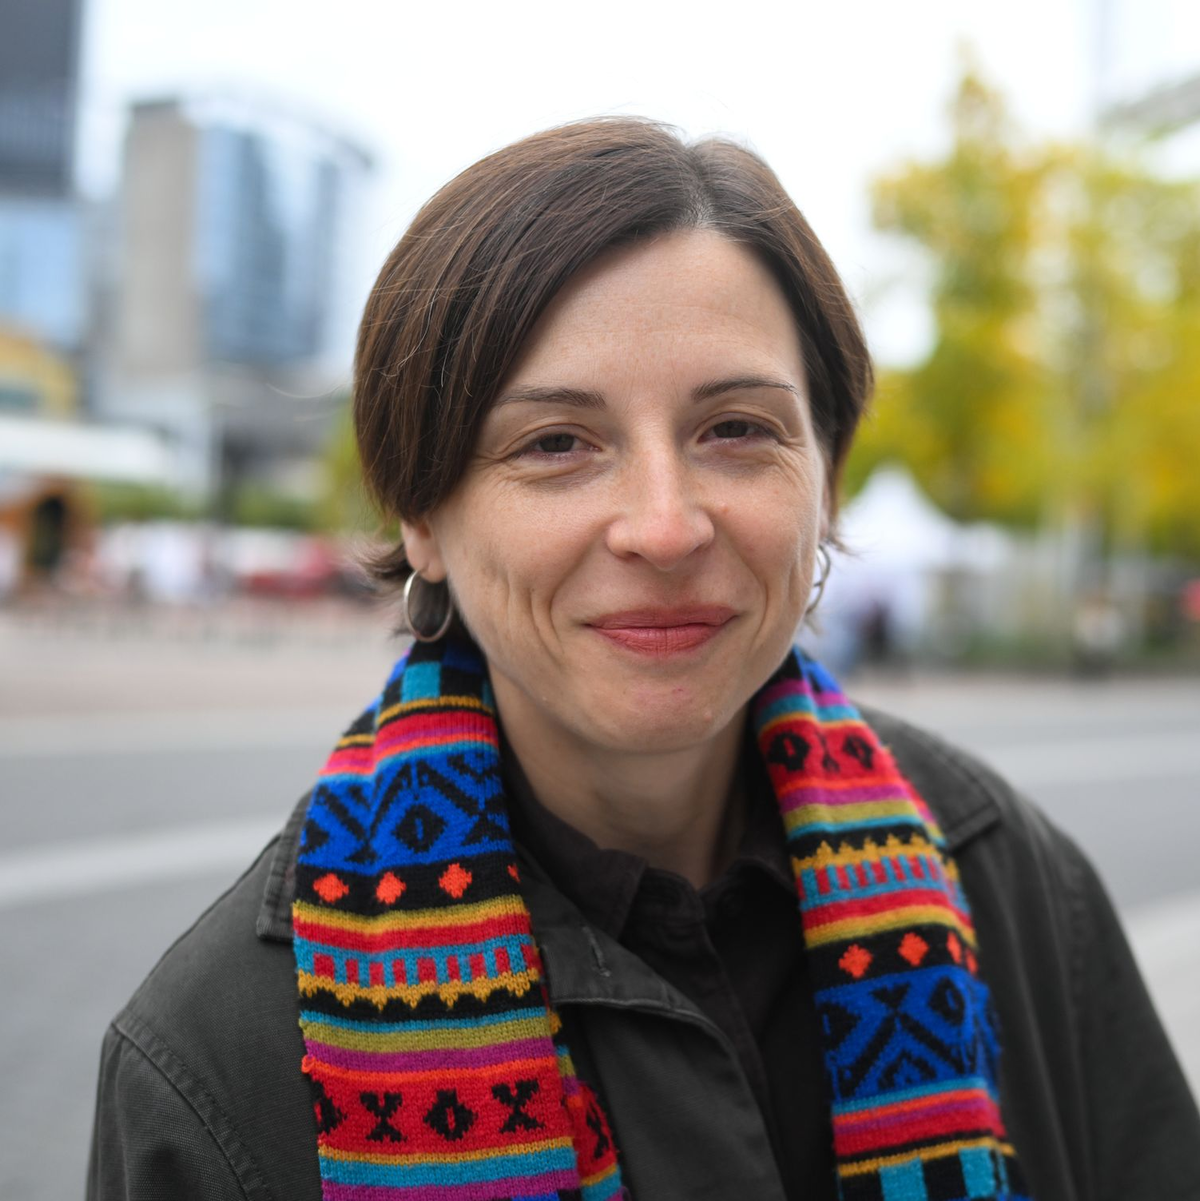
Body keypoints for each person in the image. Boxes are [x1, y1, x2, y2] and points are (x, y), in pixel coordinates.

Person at [87, 117, 1200, 1201]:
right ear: (420, 513)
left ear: (828, 476)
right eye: (556, 443)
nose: (663, 527)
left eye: (737, 429)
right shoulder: (216, 1061)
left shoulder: (1012, 888)